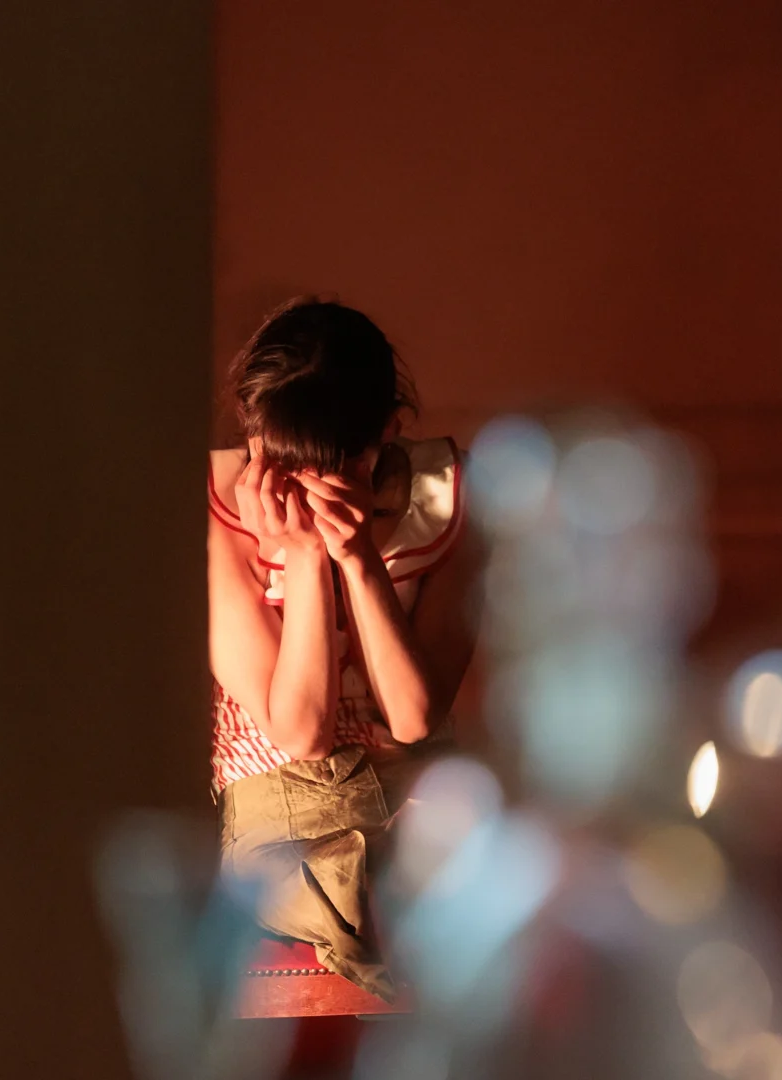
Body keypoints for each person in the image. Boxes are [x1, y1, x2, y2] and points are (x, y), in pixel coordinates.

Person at [207, 298, 480, 999]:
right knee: (363, 900)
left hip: (413, 797)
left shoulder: (447, 498)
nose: (303, 490)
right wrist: (304, 557)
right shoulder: (216, 509)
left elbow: (414, 719)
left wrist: (357, 558)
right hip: (287, 820)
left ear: (385, 434)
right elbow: (301, 732)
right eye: (280, 462)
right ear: (250, 427)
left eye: (336, 467)